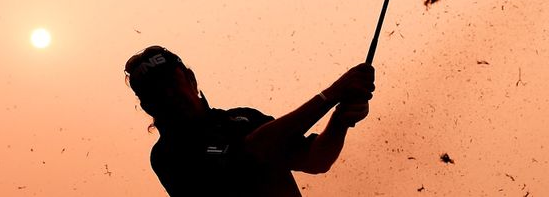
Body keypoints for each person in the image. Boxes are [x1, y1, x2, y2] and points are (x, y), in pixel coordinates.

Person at [123, 45, 375, 197]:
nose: (169, 96)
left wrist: (340, 120)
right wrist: (332, 94)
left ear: (191, 79)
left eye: (172, 83)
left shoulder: (244, 118)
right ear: (147, 106)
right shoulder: (169, 155)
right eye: (156, 93)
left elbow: (316, 159)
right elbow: (253, 152)